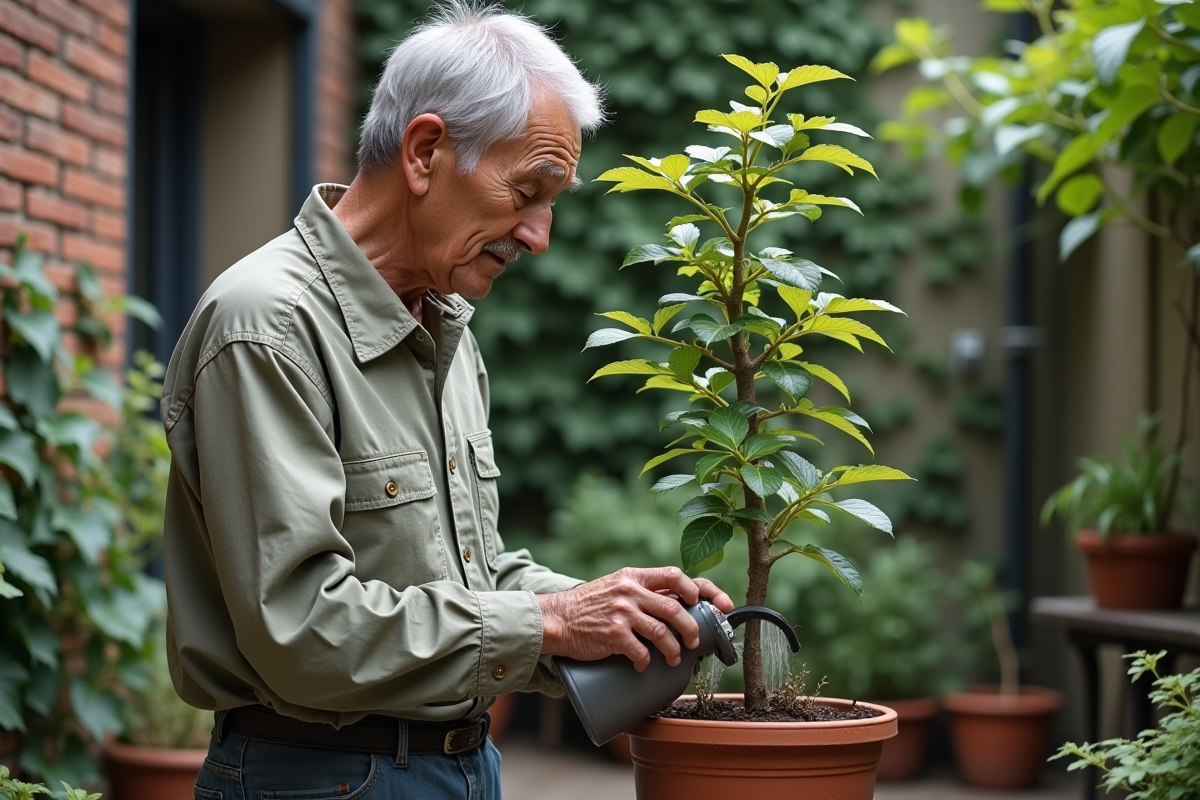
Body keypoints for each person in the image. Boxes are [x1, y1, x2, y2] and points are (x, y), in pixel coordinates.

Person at [160, 3, 733, 798]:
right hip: (321, 778)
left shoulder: (446, 327)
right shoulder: (266, 325)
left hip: (463, 766)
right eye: (528, 190)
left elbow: (469, 572)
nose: (540, 235)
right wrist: (553, 624)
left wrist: (605, 608)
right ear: (425, 151)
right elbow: (301, 629)